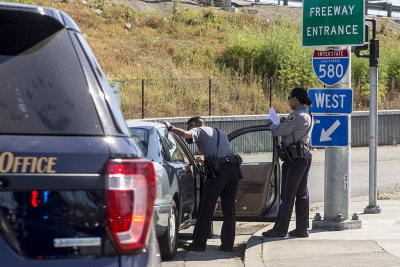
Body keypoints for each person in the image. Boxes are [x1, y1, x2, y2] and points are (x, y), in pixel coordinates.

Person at [160, 116, 241, 252]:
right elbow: (222, 154)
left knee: (206, 208)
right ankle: (227, 245)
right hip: (233, 169)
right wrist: (205, 161)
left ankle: (198, 244)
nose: (190, 132)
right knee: (229, 209)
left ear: (194, 124)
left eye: (190, 127)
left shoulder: (200, 130)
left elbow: (186, 134)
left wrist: (170, 127)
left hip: (219, 173)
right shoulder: (219, 132)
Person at [262, 87, 313, 238]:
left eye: (289, 97)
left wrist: (271, 124)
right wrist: (282, 123)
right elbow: (288, 128)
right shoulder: (306, 114)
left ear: (296, 99)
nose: (288, 100)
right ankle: (302, 229)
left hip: (294, 159)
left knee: (287, 195)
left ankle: (280, 229)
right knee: (302, 194)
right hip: (302, 155)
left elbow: (278, 131)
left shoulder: (296, 116)